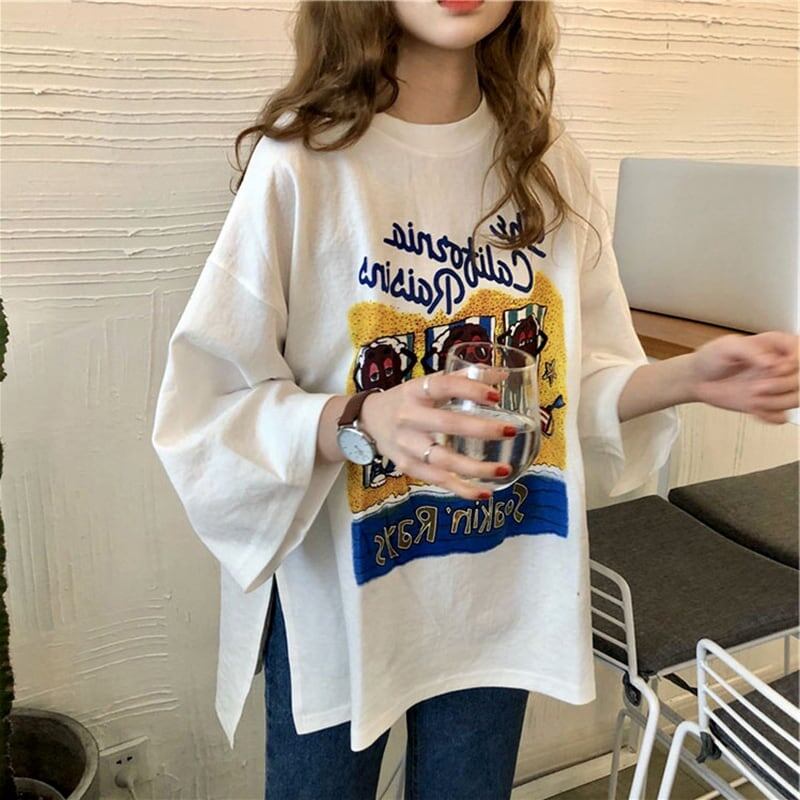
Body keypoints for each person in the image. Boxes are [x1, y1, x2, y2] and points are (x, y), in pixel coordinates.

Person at [150, 2, 799, 798]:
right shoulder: (304, 163)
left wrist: (687, 378)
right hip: (344, 596)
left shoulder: (545, 162)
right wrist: (362, 417)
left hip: (500, 584)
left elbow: (569, 380)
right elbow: (210, 404)